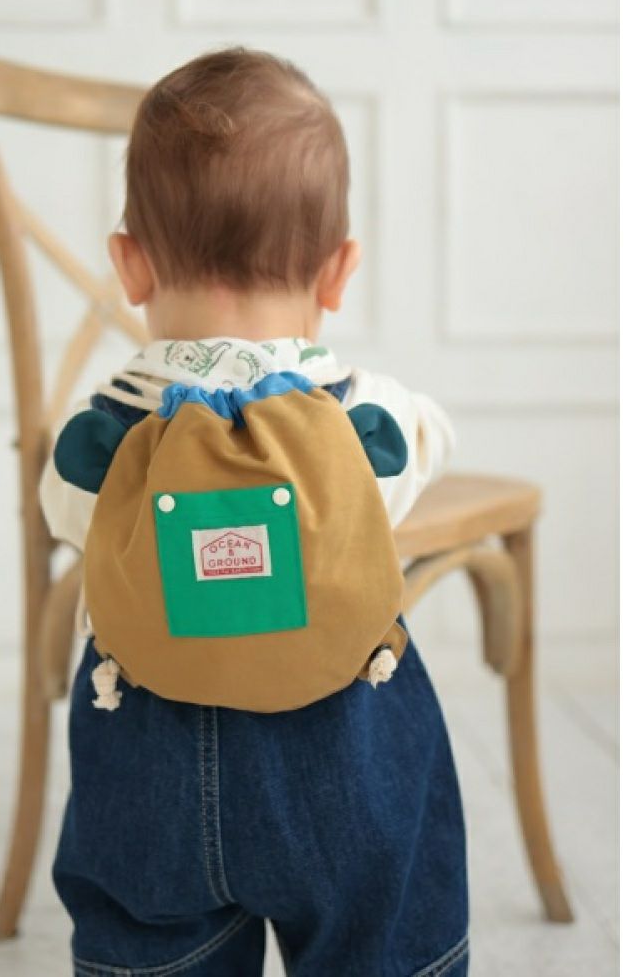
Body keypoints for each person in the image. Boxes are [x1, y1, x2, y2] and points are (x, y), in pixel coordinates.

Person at [40, 47, 468, 977]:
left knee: (149, 948)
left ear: (130, 265)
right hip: (342, 760)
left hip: (146, 760)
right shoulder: (364, 421)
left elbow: (63, 509)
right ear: (338, 272)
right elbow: (432, 439)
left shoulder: (101, 434)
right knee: (379, 942)